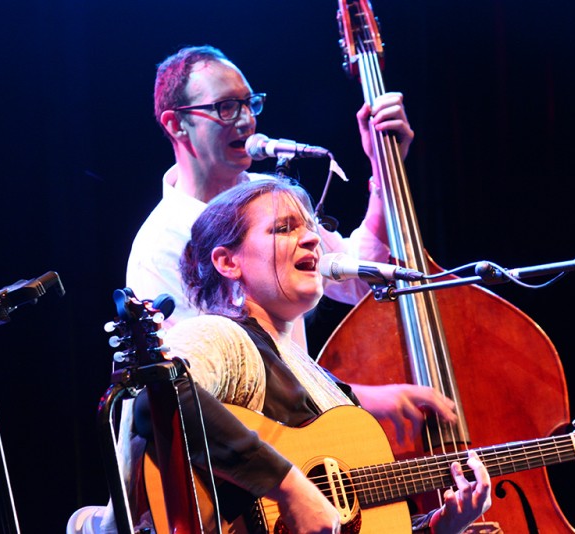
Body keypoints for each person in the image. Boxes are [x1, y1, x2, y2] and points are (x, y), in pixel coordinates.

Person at [135, 178, 492, 533]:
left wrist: (439, 526)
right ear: (228, 262)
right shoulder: (218, 335)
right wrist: (289, 487)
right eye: (284, 228)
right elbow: (159, 398)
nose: (312, 238)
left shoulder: (326, 386)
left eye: (310, 227)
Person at [125, 44, 411, 347]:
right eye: (226, 106)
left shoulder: (273, 197)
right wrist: (353, 393)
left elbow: (358, 281)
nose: (247, 120)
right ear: (176, 124)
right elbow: (201, 380)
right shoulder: (160, 248)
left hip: (303, 394)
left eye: (250, 103)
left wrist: (384, 168)